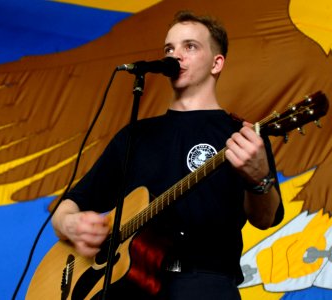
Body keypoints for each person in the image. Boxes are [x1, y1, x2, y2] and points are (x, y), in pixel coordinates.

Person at [52, 10, 284, 300]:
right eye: (169, 49)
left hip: (204, 286)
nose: (176, 56)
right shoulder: (134, 136)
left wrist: (258, 178)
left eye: (190, 46)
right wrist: (70, 224)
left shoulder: (243, 136)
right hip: (125, 288)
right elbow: (68, 205)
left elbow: (265, 219)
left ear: (217, 62)